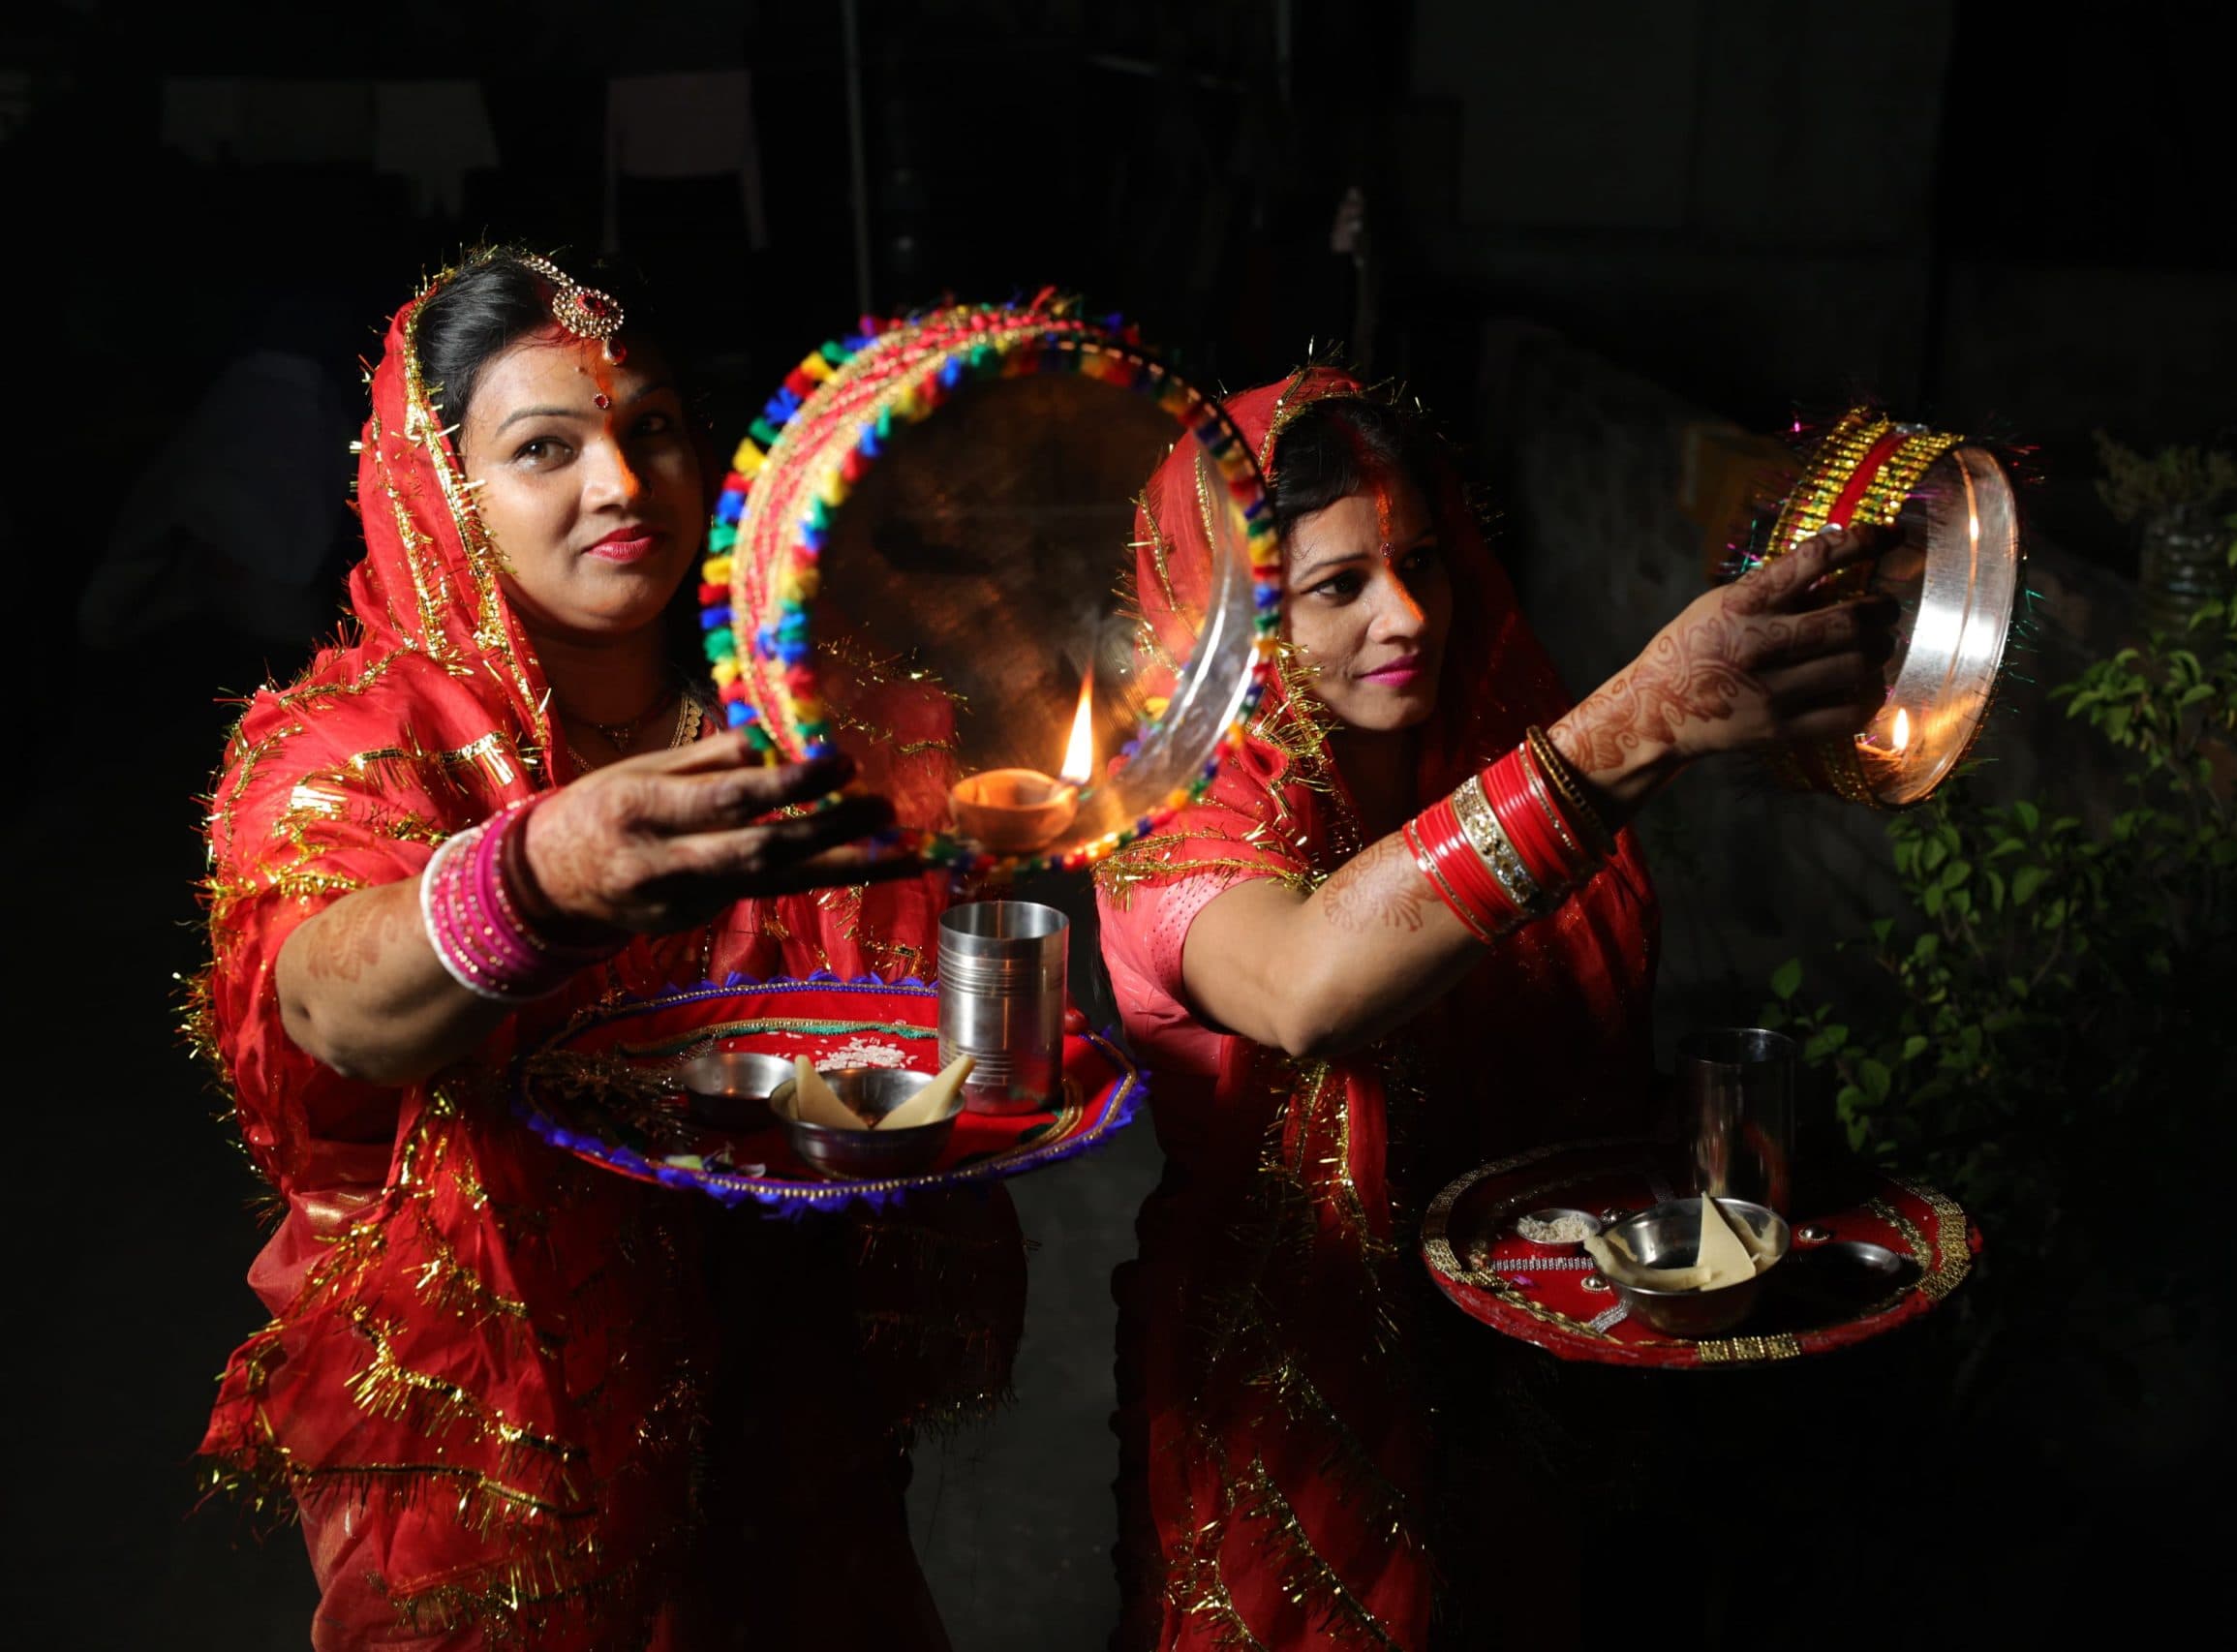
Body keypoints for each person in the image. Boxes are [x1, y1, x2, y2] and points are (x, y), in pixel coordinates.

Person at [192, 246, 1017, 1649]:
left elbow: (917, 1029)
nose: (623, 485)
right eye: (544, 449)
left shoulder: (819, 711)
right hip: (511, 1424)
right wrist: (538, 879)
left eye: (649, 430)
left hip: (793, 1374)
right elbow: (328, 1007)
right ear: (445, 496)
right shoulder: (354, 738)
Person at [1096, 367, 1894, 1649]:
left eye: (1422, 560)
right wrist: (1637, 723)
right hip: (1291, 1393)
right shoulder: (1168, 818)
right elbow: (1305, 985)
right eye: (1338, 585)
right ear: (1229, 616)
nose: (1405, 612)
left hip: (1517, 1364)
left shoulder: (1474, 750)